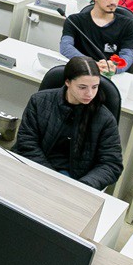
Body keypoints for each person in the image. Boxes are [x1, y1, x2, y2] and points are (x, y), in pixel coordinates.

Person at [14, 56, 123, 190]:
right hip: (36, 166)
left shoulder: (105, 119)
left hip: (76, 180)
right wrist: (49, 176)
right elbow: (26, 142)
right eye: (82, 87)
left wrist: (82, 186)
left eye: (95, 87)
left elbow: (111, 164)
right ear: (68, 82)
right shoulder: (39, 101)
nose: (89, 94)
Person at [60, 0, 133, 75]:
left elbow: (128, 54)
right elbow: (66, 47)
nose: (114, 2)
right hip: (81, 71)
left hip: (109, 75)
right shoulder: (74, 20)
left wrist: (115, 67)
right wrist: (91, 64)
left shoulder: (127, 24)